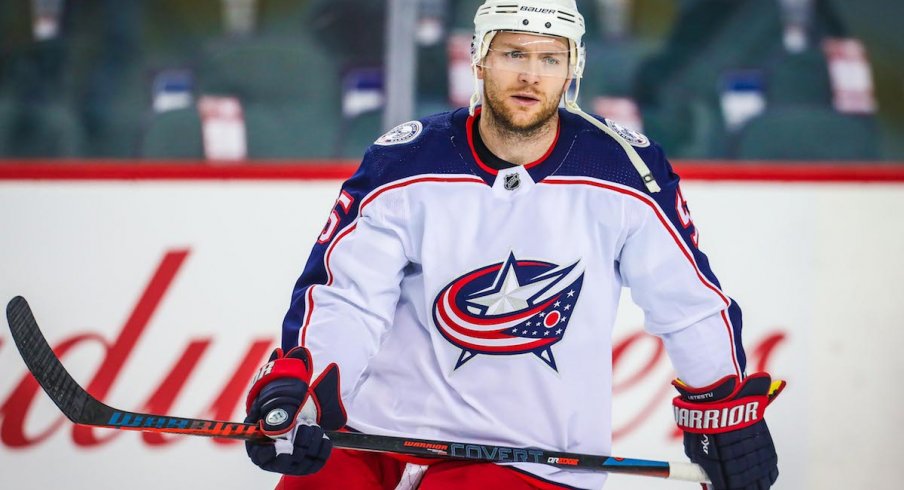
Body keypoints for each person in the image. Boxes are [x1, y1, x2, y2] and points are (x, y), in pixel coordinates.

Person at [243, 1, 785, 488]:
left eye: (551, 58)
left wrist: (724, 407)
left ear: (574, 67)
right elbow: (347, 296)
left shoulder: (625, 171)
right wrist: (302, 391)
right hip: (375, 438)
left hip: (529, 459)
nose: (530, 75)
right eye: (513, 53)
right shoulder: (405, 162)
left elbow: (687, 304)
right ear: (478, 59)